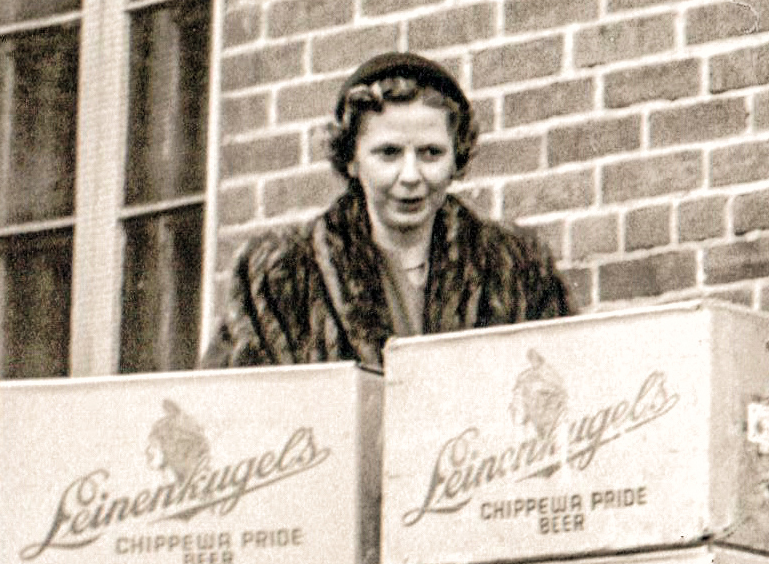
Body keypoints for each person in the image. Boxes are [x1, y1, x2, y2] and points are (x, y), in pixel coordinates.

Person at [206, 50, 571, 367]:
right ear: (352, 159)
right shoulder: (279, 277)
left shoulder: (516, 267)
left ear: (456, 157)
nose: (411, 176)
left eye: (431, 153)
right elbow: (239, 412)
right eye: (389, 153)